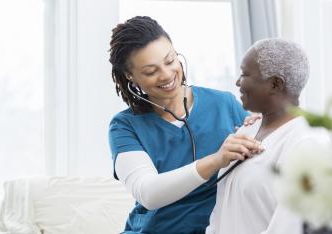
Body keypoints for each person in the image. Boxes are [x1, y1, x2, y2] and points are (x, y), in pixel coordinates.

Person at [108, 16, 263, 233]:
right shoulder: (124, 126)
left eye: (170, 60)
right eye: (151, 71)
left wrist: (263, 130)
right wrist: (217, 160)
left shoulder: (224, 104)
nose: (167, 74)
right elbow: (148, 193)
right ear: (130, 77)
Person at [206, 38, 332, 234]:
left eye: (245, 74)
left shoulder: (308, 143)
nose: (238, 82)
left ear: (275, 84)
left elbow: (289, 229)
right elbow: (223, 208)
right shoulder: (247, 129)